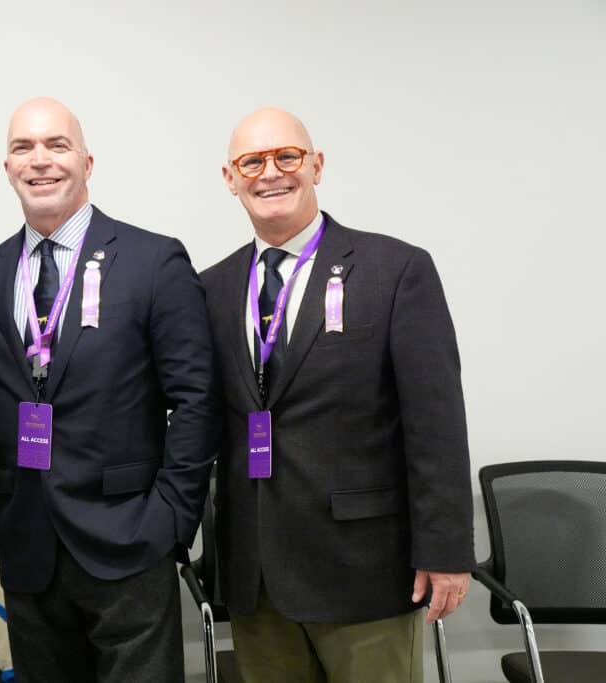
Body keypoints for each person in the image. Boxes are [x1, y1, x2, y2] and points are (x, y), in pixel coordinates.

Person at [199, 108, 474, 682]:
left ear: (316, 165)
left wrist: (446, 550)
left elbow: (436, 421)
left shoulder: (393, 270)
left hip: (363, 570)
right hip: (256, 574)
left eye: (287, 156)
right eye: (252, 161)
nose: (270, 172)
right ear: (230, 177)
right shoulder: (213, 287)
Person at [0, 97, 216, 683]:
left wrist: (171, 518)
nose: (41, 160)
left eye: (57, 145)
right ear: (7, 167)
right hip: (28, 548)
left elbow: (197, 398)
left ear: (87, 161)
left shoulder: (152, 260)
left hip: (129, 539)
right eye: (23, 147)